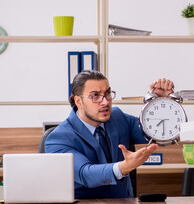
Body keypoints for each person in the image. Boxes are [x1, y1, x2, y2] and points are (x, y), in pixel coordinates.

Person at [45, 70, 175, 199]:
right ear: (78, 101)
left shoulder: (118, 117)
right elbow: (86, 174)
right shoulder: (58, 139)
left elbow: (157, 133)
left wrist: (160, 101)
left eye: (107, 93)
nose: (105, 102)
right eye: (95, 96)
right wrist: (124, 167)